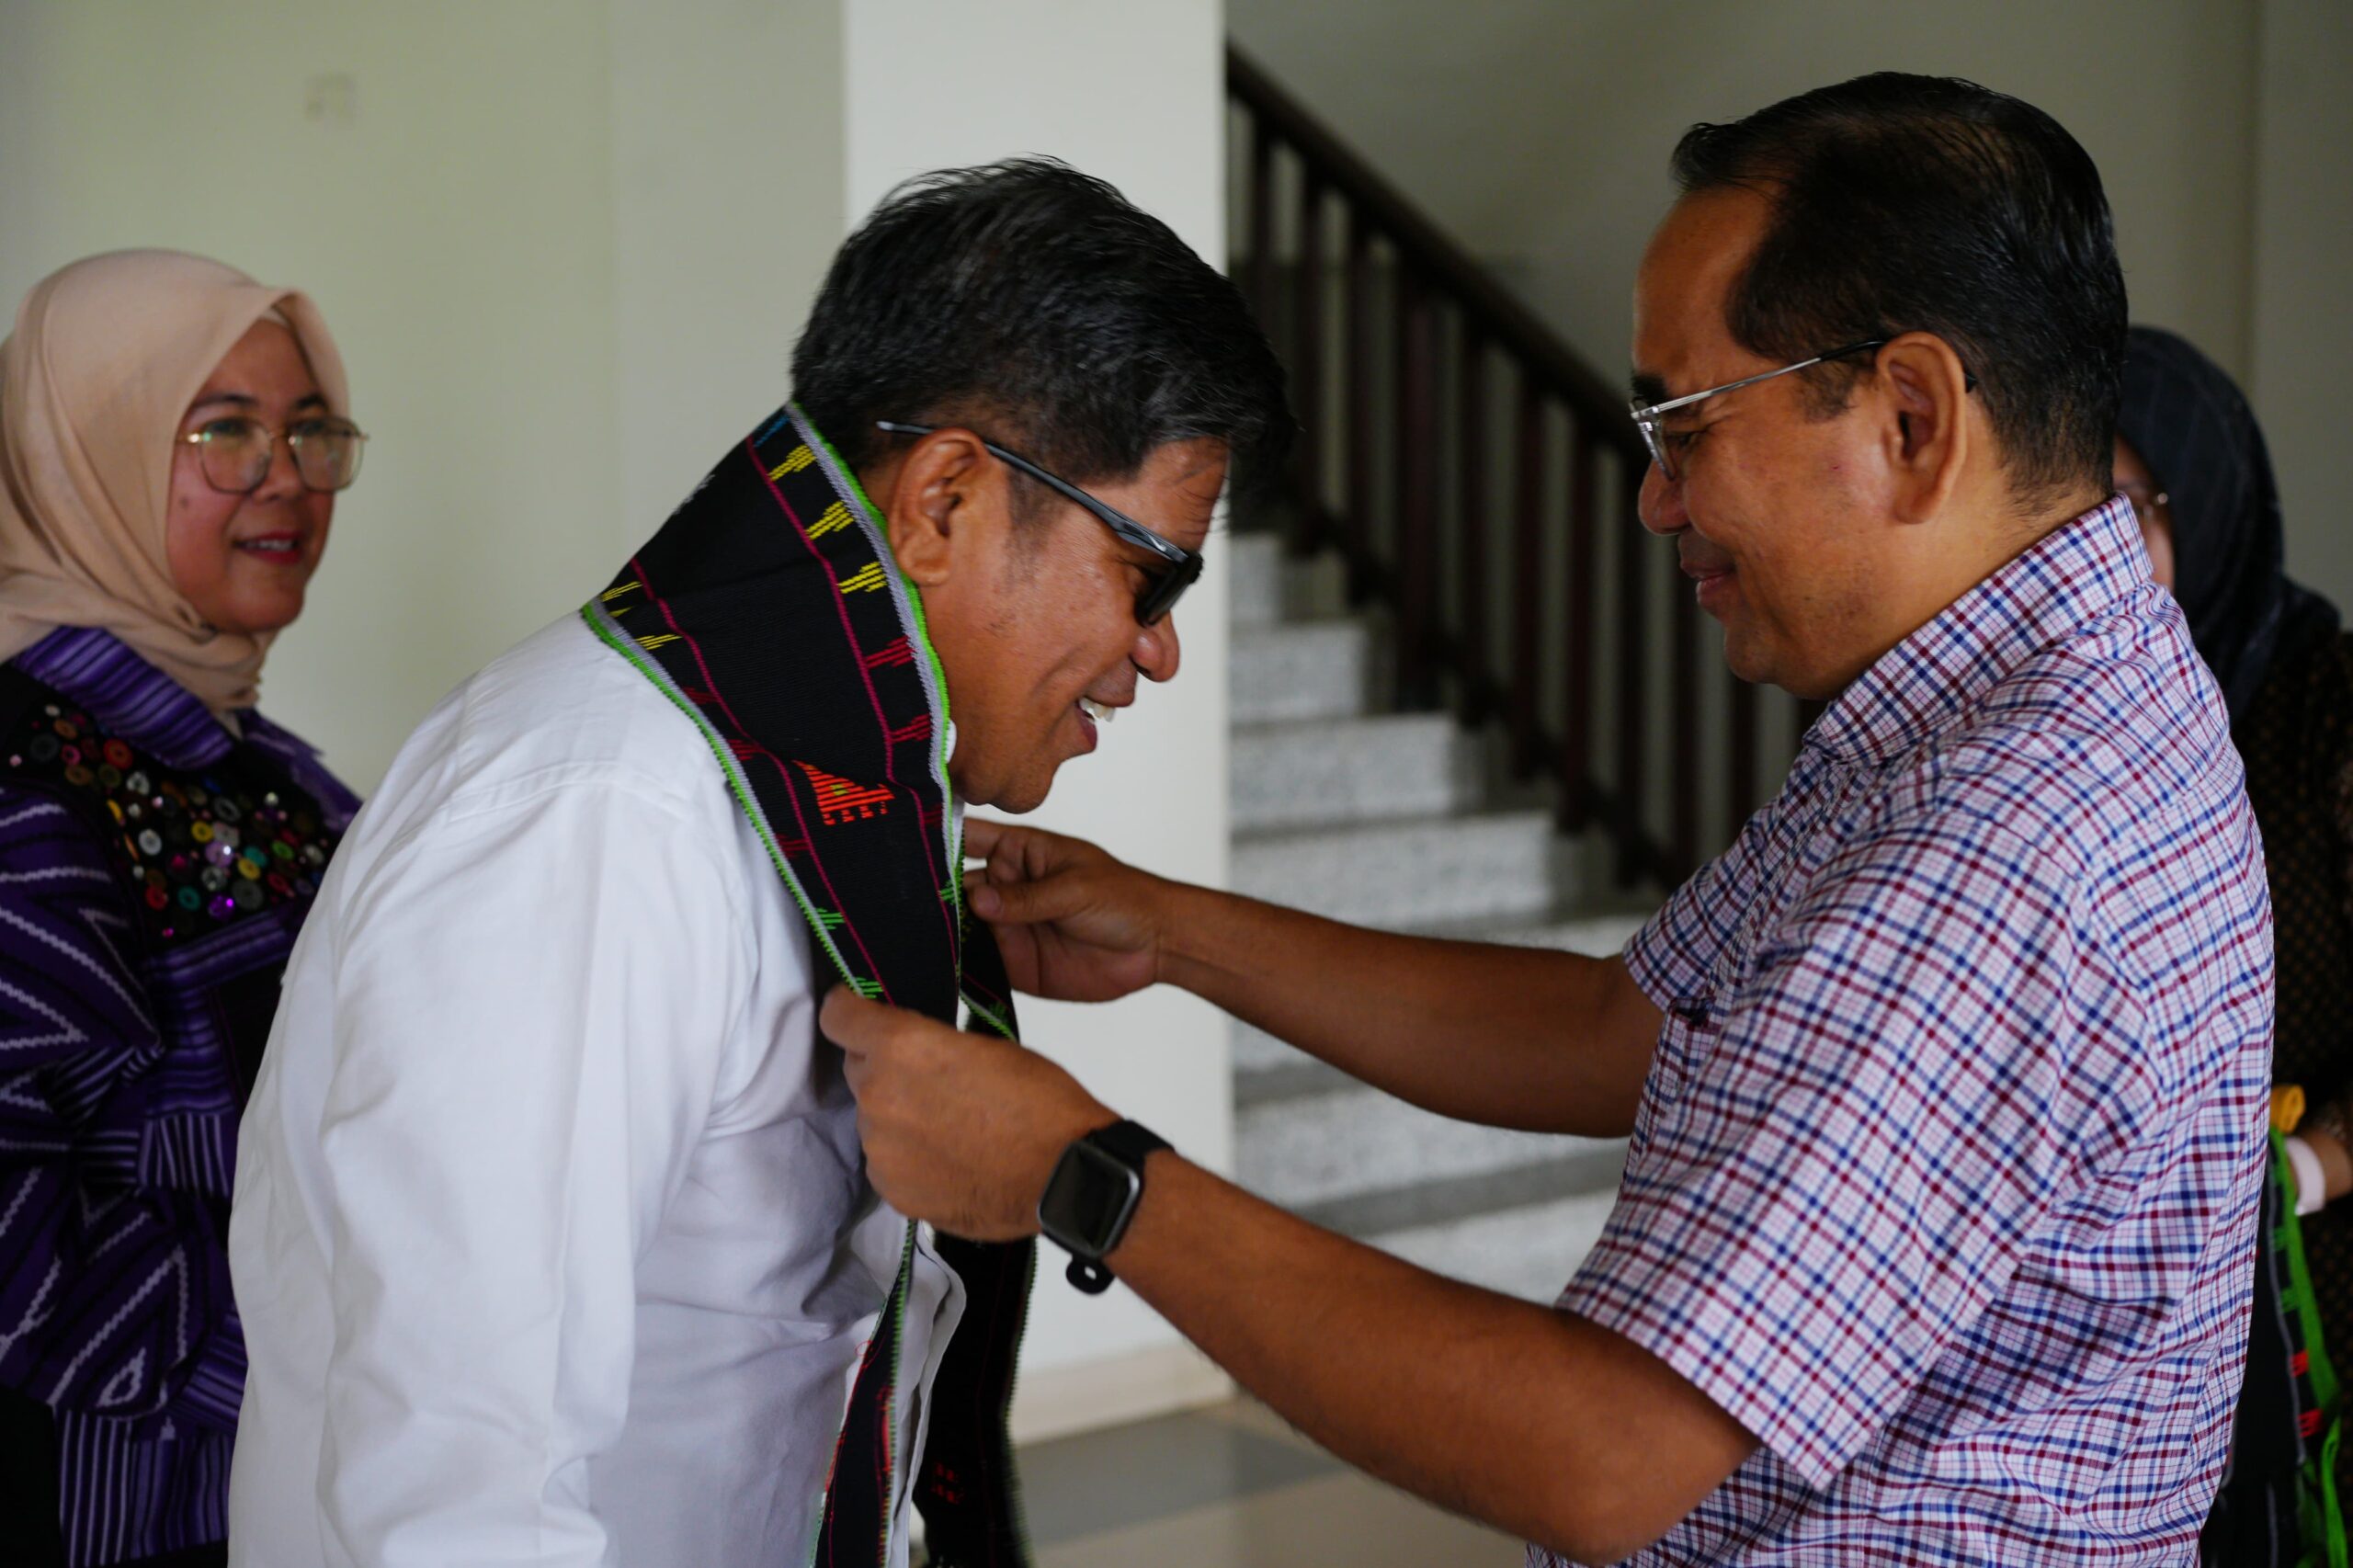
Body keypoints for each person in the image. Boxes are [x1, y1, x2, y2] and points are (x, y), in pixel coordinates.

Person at [823, 74, 2275, 1565]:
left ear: (1911, 417)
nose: (1654, 501)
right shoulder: (1996, 701)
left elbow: (1602, 1450)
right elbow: (1613, 1027)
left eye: (1685, 424)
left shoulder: (2006, 841)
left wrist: (1081, 1170)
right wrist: (1174, 931)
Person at [225, 160, 1287, 1568]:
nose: (1159, 650)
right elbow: (453, 1492)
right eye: (1151, 575)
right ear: (946, 499)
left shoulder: (826, 781)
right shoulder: (597, 814)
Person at [0, 250, 364, 1568]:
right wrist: (336, 1331)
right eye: (222, 430)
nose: (286, 476)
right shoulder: (28, 790)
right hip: (117, 1520)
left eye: (312, 431)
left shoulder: (265, 773)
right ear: (84, 456)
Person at [2111, 324, 2352, 1565]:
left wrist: (2303, 1169)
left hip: (2319, 1293)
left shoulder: (2326, 712)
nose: (2084, 563)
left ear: (2202, 507)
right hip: (2155, 1329)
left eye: (2119, 514)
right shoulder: (2088, 740)